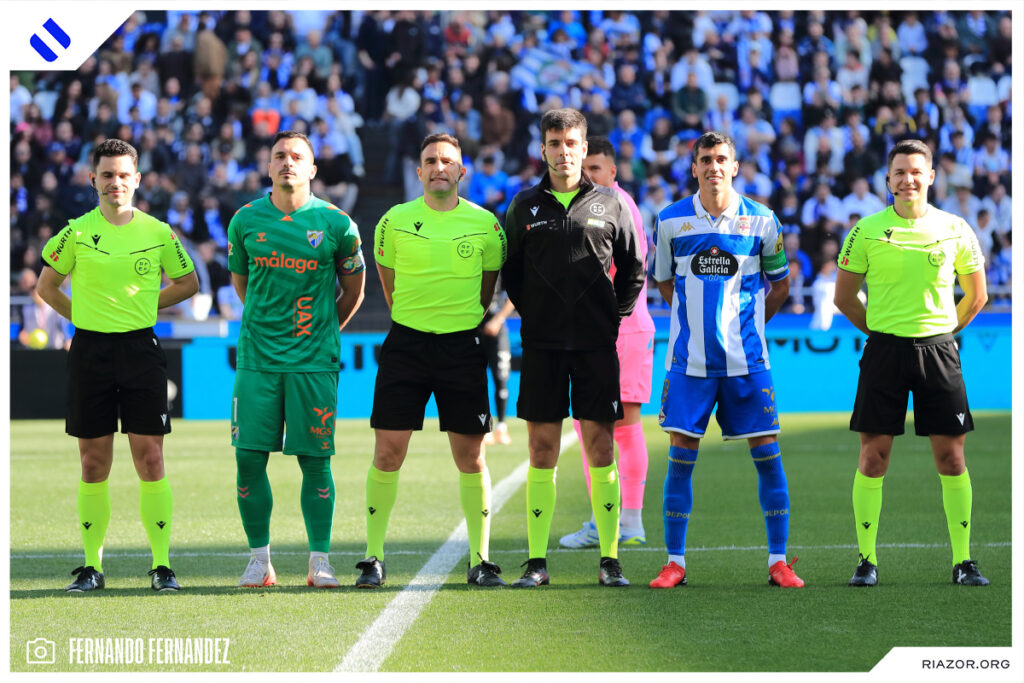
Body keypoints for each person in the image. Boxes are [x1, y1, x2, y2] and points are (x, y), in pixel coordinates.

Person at [36, 138, 199, 592]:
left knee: (150, 458)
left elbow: (189, 282)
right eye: (107, 175)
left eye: (124, 174)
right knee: (93, 464)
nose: (116, 182)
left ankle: (162, 566)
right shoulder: (76, 232)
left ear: (138, 180)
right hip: (90, 352)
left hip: (140, 351)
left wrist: (146, 306)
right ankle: (92, 567)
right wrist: (83, 319)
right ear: (93, 179)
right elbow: (47, 287)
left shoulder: (159, 233)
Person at [650, 131, 804, 590]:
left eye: (722, 159)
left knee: (768, 457)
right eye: (705, 160)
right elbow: (664, 284)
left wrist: (751, 325)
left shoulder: (762, 221)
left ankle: (779, 561)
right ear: (693, 168)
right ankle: (674, 562)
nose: (714, 166)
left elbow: (780, 285)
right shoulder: (670, 222)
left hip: (747, 363)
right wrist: (694, 322)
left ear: (735, 167)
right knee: (680, 459)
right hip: (690, 364)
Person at [354, 133, 508, 589]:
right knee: (387, 452)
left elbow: (486, 292)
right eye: (430, 161)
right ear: (418, 171)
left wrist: (456, 320)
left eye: (447, 161)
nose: (439, 166)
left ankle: (480, 559)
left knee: (471, 456)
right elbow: (389, 283)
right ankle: (373, 557)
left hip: (462, 348)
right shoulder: (392, 221)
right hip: (407, 346)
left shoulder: (487, 226)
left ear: (462, 172)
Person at [833, 138, 990, 587]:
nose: (908, 179)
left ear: (931, 176)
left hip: (939, 352)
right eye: (900, 172)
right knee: (873, 457)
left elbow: (977, 295)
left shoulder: (956, 227)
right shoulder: (865, 230)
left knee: (952, 458)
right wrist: (883, 331)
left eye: (917, 171)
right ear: (888, 179)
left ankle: (963, 561)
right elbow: (843, 297)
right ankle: (866, 560)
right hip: (884, 352)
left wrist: (942, 332)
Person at [502, 108, 645, 588]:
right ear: (542, 149)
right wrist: (538, 315)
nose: (563, 152)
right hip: (542, 347)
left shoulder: (612, 204)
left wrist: (610, 320)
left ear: (585, 149)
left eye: (571, 143)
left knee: (601, 446)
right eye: (554, 143)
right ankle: (537, 562)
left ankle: (610, 560)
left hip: (595, 347)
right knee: (542, 448)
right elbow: (512, 275)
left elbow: (632, 270)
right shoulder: (523, 206)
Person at [227, 131, 366, 589]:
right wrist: (267, 327)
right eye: (279, 156)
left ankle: (319, 560)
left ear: (312, 169)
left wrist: (324, 331)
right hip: (258, 360)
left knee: (315, 461)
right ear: (268, 167)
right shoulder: (246, 220)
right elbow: (243, 285)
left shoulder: (337, 224)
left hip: (313, 362)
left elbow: (354, 290)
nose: (287, 162)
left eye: (297, 157)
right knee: (248, 459)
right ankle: (259, 559)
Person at [560, 136, 654, 549]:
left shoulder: (618, 206)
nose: (588, 175)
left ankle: (629, 520)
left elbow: (629, 269)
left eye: (596, 168)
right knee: (588, 426)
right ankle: (606, 516)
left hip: (624, 329)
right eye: (585, 168)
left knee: (624, 426)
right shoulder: (585, 207)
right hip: (592, 333)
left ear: (612, 172)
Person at [481, 292, 515, 446]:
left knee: (501, 378)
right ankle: (483, 427)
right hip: (475, 328)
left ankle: (501, 426)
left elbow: (511, 298)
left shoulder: (501, 269)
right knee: (476, 380)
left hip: (498, 332)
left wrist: (497, 320)